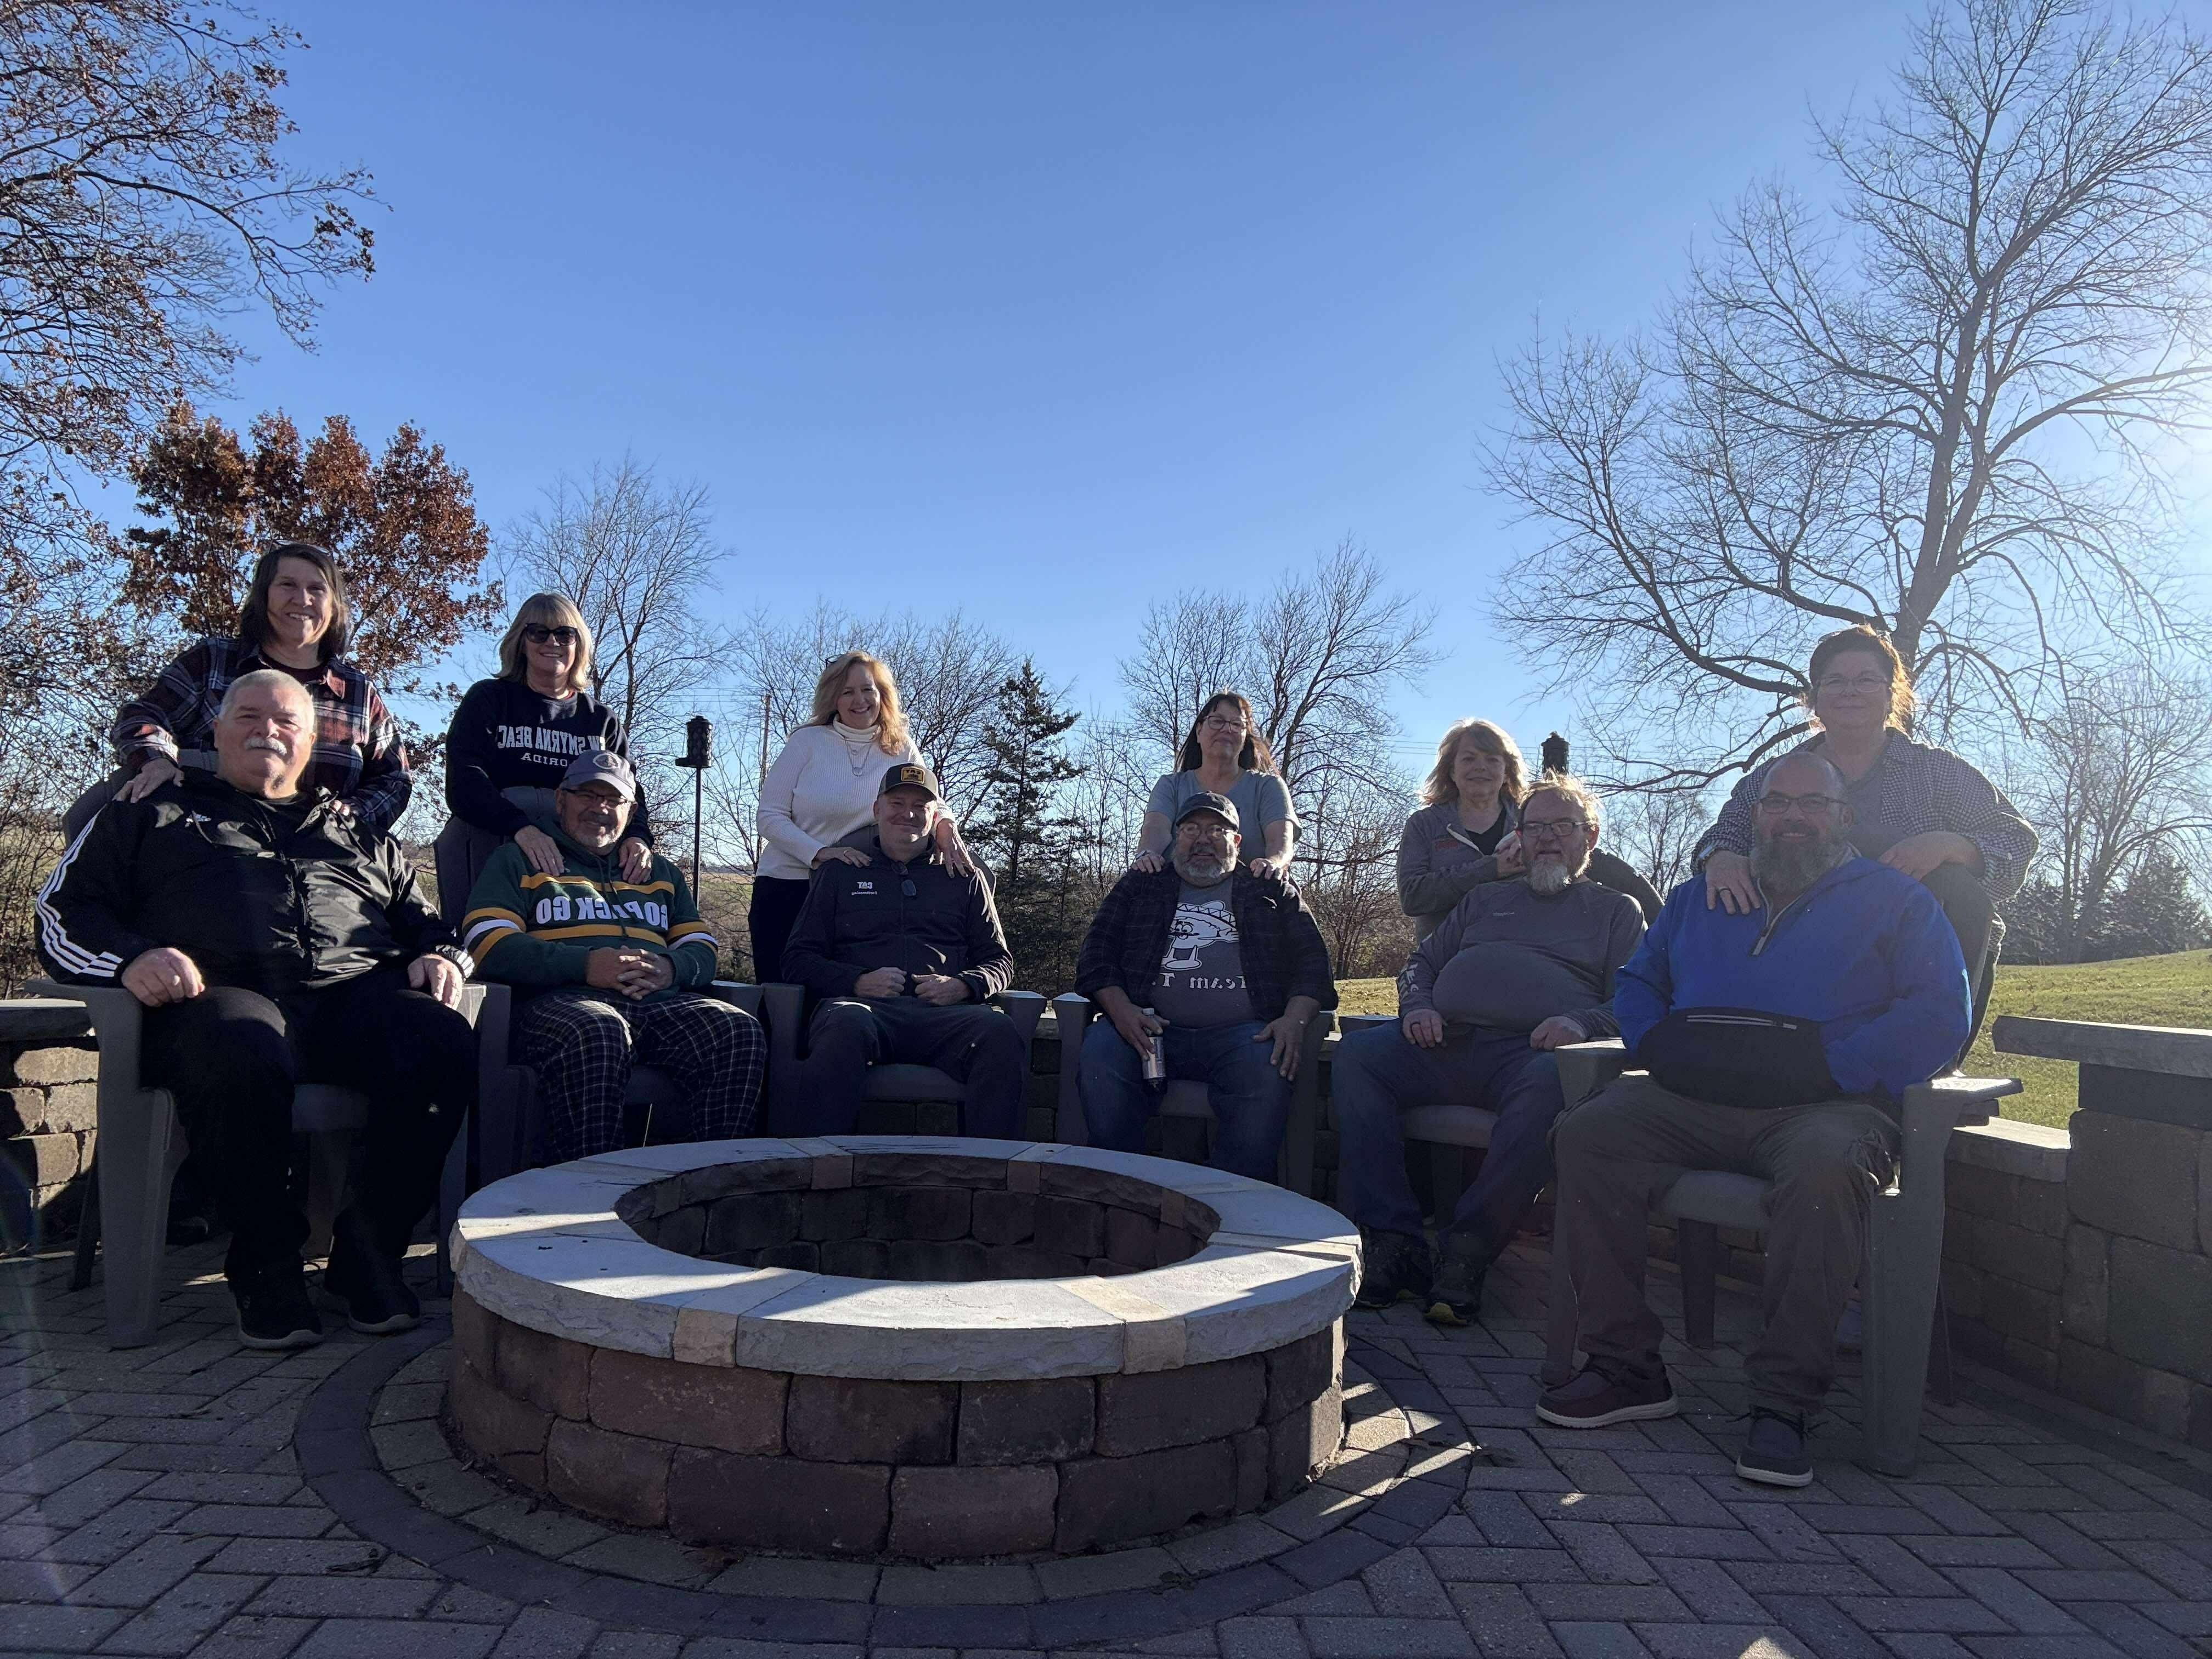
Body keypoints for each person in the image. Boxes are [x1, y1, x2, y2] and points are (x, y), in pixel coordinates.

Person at [1540, 752, 1970, 1489]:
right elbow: (1640, 982)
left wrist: (1833, 1067)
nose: (1794, 817)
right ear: (1758, 814)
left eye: (1813, 804)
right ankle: (1626, 1365)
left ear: (1842, 819)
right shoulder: (1701, 896)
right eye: (1779, 804)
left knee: (1828, 1170)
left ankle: (1784, 1403)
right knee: (1588, 1133)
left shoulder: (1894, 900)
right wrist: (1660, 1046)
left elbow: (1940, 1015)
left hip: (1824, 1105)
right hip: (1691, 1099)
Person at [36, 670, 475, 1350]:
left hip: (350, 999)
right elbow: (64, 912)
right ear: (213, 731)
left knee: (440, 1040)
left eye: (285, 722)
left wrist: (446, 960)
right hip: (218, 998)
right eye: (248, 716)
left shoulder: (354, 832)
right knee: (241, 1044)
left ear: (310, 744)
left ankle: (367, 1254)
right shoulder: (151, 811)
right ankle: (266, 1265)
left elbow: (432, 926)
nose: (266, 730)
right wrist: (130, 960)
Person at [1342, 774, 1645, 1325]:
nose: (1547, 838)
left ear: (1591, 837)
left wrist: (1583, 1021)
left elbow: (1638, 998)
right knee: (1358, 1058)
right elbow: (1420, 965)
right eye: (1535, 827)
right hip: (1443, 1042)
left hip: (1531, 1057)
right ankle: (1393, 1241)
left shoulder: (1615, 911)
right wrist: (1419, 1008)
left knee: (1547, 1086)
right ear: (1520, 837)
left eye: (1563, 826)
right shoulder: (1483, 899)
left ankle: (1467, 1252)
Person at [1695, 626, 2034, 1040]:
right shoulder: (1775, 774)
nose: (1850, 691)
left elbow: (2015, 838)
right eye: (1835, 681)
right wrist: (1720, 855)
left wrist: (1951, 845)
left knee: (1957, 887)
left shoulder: (1937, 771)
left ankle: (1929, 1064)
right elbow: (1725, 830)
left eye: (1866, 680)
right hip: (1801, 958)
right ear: (1814, 698)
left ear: (1893, 694)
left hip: (1921, 962)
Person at [461, 751, 764, 1163]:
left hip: (660, 1005)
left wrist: (671, 967)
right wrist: (585, 965)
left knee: (737, 1031)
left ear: (631, 810)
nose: (599, 809)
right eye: (587, 794)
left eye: (613, 800)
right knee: (598, 1030)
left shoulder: (658, 871)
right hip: (559, 1004)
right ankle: (586, 1194)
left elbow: (701, 946)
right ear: (560, 799)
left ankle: (700, 1189)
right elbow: (486, 942)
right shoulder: (521, 859)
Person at [1075, 792, 1338, 1180]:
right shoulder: (1141, 885)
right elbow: (1095, 956)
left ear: (1236, 842)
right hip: (1148, 1029)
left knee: (1268, 1070)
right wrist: (1121, 1011)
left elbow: (1314, 966)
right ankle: (1121, 1187)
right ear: (1175, 839)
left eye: (1217, 830)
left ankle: (1231, 1201)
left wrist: (1294, 1021)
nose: (1203, 840)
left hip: (1246, 1037)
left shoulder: (1271, 889)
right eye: (1191, 829)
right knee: (1101, 1051)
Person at [778, 763, 1022, 1137]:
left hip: (946, 1017)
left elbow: (1000, 962)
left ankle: (991, 1173)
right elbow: (796, 960)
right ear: (877, 810)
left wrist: (963, 986)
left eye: (920, 806)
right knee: (844, 1023)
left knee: (998, 1031)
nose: (907, 814)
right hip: (864, 1012)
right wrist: (856, 982)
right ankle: (819, 1166)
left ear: (934, 816)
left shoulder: (964, 878)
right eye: (897, 802)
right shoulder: (841, 873)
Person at [103, 541, 411, 837]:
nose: (302, 600)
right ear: (263, 597)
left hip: (317, 861)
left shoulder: (358, 692)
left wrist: (350, 817)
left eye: (316, 589)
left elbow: (394, 778)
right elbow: (143, 715)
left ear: (333, 607)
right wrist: (156, 760)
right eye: (287, 585)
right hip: (203, 840)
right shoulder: (214, 660)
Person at [751, 650, 970, 984]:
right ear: (833, 698)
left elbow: (930, 799)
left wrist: (945, 825)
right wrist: (821, 854)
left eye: (868, 690)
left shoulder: (902, 747)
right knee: (784, 1001)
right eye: (847, 691)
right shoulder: (806, 742)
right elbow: (769, 816)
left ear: (883, 695)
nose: (860, 700)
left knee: (840, 994)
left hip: (854, 893)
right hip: (788, 886)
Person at [442, 593, 655, 909]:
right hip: (494, 834)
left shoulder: (601, 720)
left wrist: (638, 838)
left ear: (578, 644)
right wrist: (521, 829)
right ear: (521, 642)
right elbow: (464, 782)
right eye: (538, 632)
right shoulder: (488, 699)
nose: (551, 642)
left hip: (576, 843)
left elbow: (629, 793)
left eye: (564, 634)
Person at [1398, 721, 1661, 935]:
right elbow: (1413, 897)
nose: (1481, 767)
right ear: (1451, 771)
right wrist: (1492, 868)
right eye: (1469, 759)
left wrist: (1664, 922)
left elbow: (1581, 857)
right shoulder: (1424, 825)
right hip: (1444, 959)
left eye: (1492, 760)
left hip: (1527, 946)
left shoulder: (1533, 817)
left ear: (1506, 771)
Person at [1132, 693, 1296, 881]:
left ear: (1244, 740)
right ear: (1199, 731)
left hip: (1250, 902)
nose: (1227, 729)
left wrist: (1275, 862)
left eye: (1237, 724)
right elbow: (1154, 830)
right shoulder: (1171, 786)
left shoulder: (1268, 787)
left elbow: (1281, 843)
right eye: (1217, 721)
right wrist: (1147, 855)